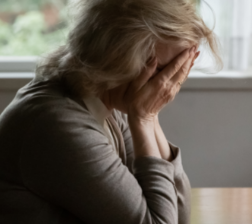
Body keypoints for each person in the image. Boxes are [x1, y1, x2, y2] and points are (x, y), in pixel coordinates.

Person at [0, 0, 221, 223]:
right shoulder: (57, 125)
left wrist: (149, 117)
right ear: (119, 57)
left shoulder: (103, 103)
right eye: (164, 70)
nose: (167, 85)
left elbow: (177, 215)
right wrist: (144, 117)